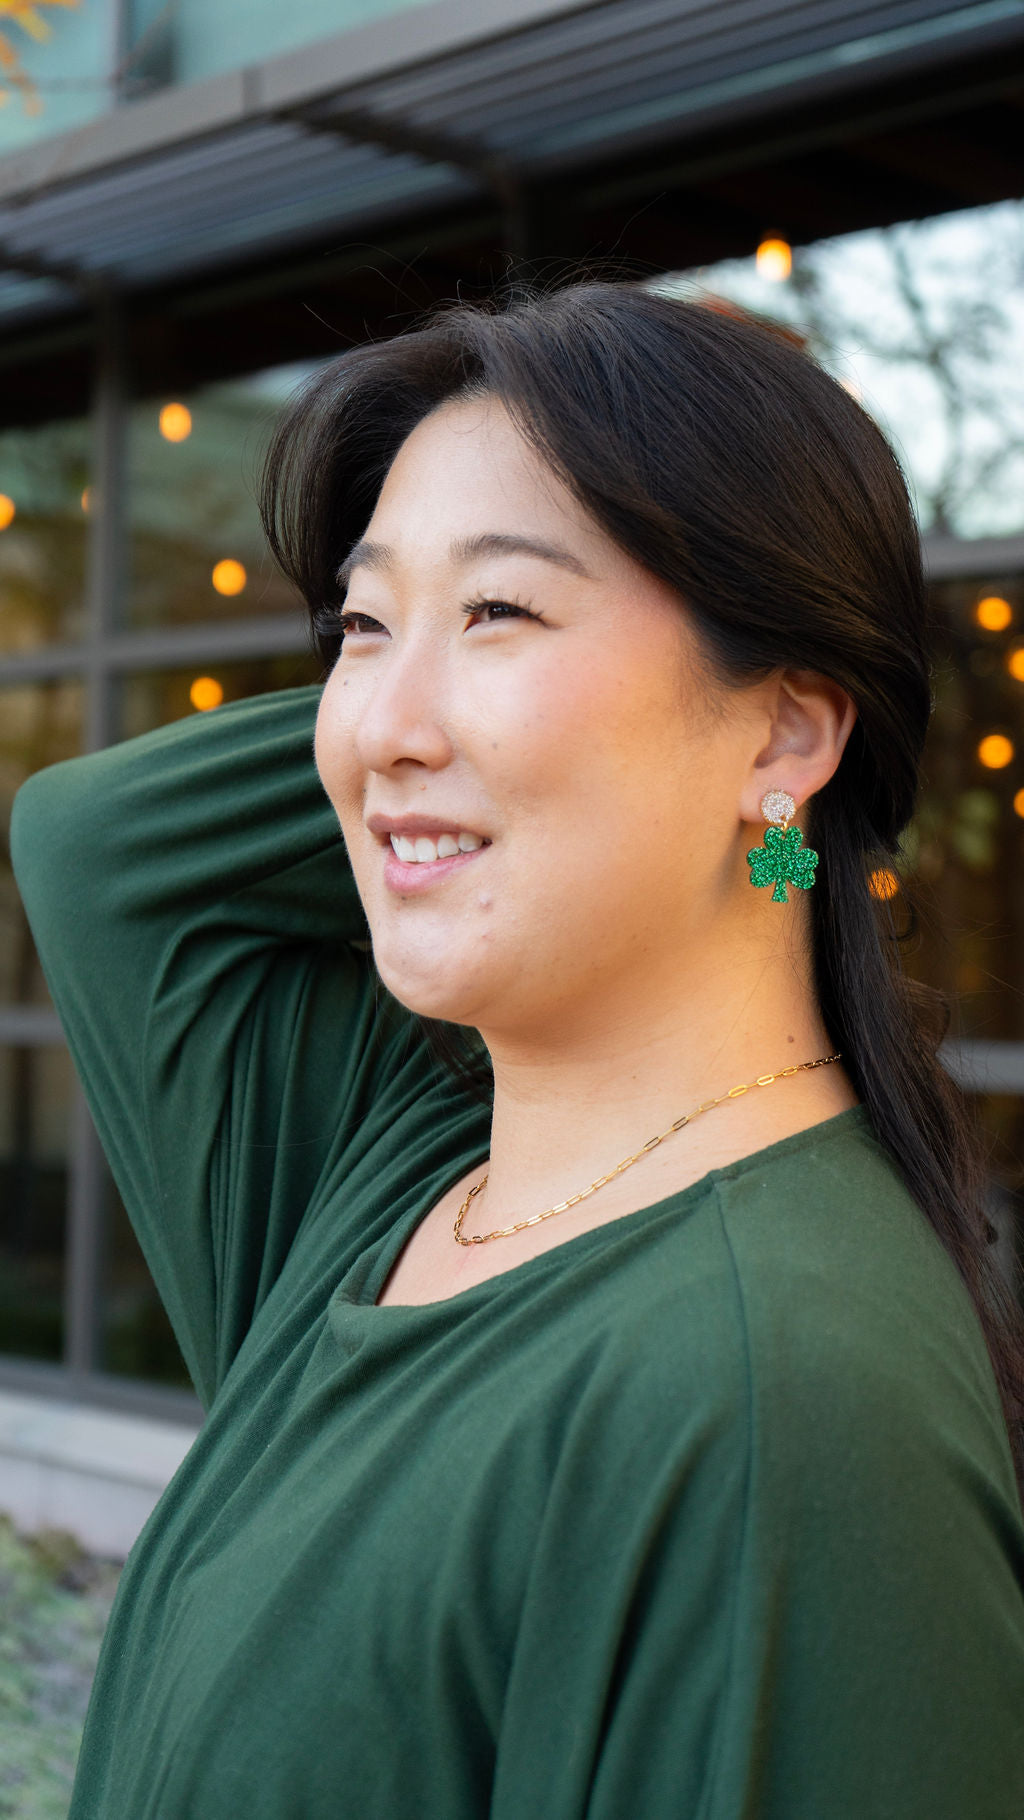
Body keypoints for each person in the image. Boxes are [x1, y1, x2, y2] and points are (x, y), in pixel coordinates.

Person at [12, 281, 1024, 1818]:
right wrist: (454, 768)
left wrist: (477, 785)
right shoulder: (396, 1178)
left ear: (785, 737)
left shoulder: (781, 1400)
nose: (376, 722)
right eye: (362, 623)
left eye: (501, 610)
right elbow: (98, 848)